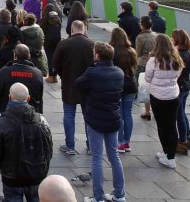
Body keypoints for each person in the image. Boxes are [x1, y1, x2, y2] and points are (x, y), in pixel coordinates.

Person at [76, 42, 126, 202]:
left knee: (97, 158)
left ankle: (98, 197)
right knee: (114, 156)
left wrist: (91, 67)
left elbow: (78, 84)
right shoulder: (119, 72)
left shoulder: (93, 72)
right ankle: (119, 194)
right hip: (113, 118)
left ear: (97, 55)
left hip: (95, 119)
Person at [0, 83, 53, 202]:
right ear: (28, 99)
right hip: (36, 175)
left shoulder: (0, 123)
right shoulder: (42, 120)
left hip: (12, 177)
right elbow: (49, 150)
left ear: (9, 97)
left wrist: (4, 167)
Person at [51, 20, 95, 155]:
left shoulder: (64, 44)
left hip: (69, 84)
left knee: (69, 115)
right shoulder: (92, 44)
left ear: (72, 29)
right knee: (88, 117)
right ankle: (90, 146)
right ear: (84, 29)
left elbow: (55, 63)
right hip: (88, 87)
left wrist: (63, 75)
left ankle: (70, 146)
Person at [144, 33, 183, 168]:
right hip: (173, 95)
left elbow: (148, 78)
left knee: (161, 125)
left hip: (157, 96)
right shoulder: (176, 59)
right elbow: (178, 75)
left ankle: (166, 152)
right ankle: (170, 156)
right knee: (172, 125)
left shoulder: (153, 60)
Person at [108, 27, 137, 153]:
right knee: (128, 113)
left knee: (118, 113)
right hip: (130, 84)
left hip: (117, 84)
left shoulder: (112, 51)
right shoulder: (131, 51)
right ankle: (127, 142)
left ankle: (119, 142)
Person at [0, 44, 44, 114]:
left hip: (8, 109)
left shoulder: (3, 72)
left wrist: (2, 106)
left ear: (15, 55)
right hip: (31, 110)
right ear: (29, 56)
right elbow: (39, 96)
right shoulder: (38, 73)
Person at [172, 28, 190, 155]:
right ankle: (187, 137)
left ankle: (182, 141)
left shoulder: (178, 55)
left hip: (179, 87)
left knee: (179, 115)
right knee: (182, 113)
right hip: (186, 86)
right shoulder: (189, 53)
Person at [135, 15, 156, 121]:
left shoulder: (140, 37)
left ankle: (147, 111)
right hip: (154, 63)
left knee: (145, 88)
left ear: (142, 25)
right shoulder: (155, 35)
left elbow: (138, 53)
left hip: (143, 63)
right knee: (154, 87)